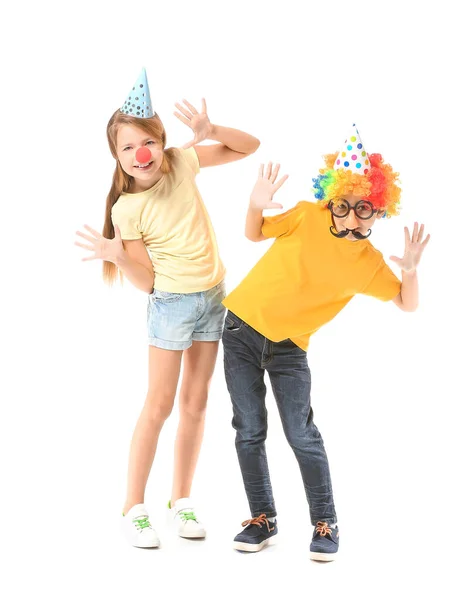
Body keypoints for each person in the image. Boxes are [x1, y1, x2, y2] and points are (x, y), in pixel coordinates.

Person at [221, 124, 430, 560]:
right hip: (240, 329)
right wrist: (254, 204)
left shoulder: (369, 265)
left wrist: (410, 270)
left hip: (289, 347)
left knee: (301, 432)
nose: (352, 217)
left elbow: (407, 305)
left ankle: (325, 522)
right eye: (343, 206)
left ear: (380, 211)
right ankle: (263, 518)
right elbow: (254, 233)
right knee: (249, 429)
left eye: (364, 209)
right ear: (329, 201)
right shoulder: (305, 214)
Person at [75, 68, 260, 548]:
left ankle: (181, 501)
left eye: (148, 143)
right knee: (158, 405)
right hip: (172, 305)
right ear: (116, 157)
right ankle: (133, 506)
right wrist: (118, 254)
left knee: (195, 405)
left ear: (161, 142)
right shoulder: (126, 211)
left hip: (214, 296)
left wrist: (214, 130)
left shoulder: (181, 162)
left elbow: (248, 147)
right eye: (127, 147)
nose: (141, 154)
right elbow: (147, 282)